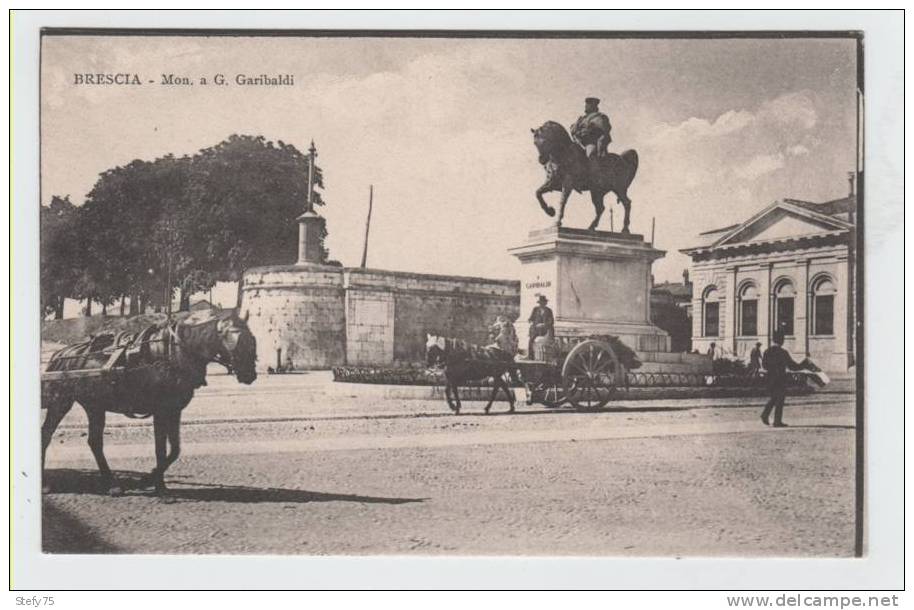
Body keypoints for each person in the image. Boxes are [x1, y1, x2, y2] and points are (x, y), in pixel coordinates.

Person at [760, 331, 808, 427]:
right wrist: (804, 364)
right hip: (780, 378)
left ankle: (765, 415)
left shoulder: (767, 351)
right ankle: (776, 421)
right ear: (782, 341)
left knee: (774, 397)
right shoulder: (783, 352)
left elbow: (764, 365)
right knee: (780, 399)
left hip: (770, 378)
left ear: (773, 340)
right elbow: (792, 366)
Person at [527, 294, 555, 360]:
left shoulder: (549, 310)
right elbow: (531, 318)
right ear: (539, 303)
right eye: (541, 303)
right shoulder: (535, 309)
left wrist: (544, 324)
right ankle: (530, 356)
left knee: (547, 339)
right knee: (531, 340)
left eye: (543, 303)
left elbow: (551, 321)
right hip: (536, 329)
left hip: (545, 329)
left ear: (545, 303)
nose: (542, 304)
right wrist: (530, 320)